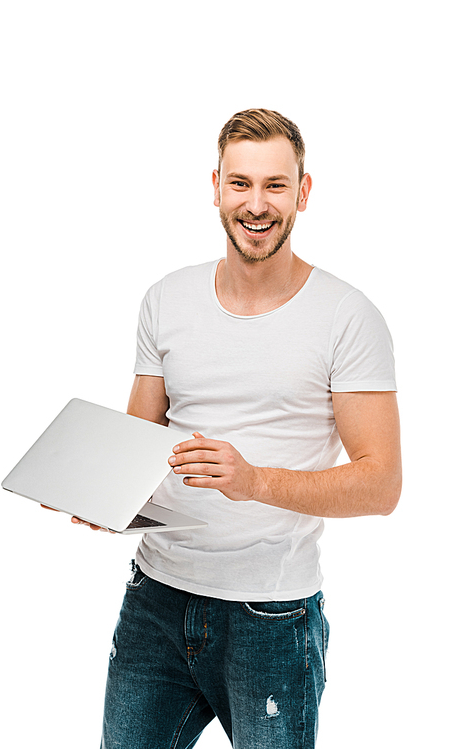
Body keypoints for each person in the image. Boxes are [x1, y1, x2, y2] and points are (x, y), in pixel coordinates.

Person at [74, 109, 402, 747]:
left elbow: (381, 484)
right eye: (241, 183)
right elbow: (137, 445)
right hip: (155, 601)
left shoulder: (348, 316)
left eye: (276, 185)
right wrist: (98, 493)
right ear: (216, 185)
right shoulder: (166, 298)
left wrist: (252, 481)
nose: (257, 204)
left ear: (303, 192)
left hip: (271, 617)